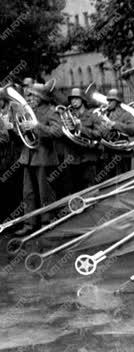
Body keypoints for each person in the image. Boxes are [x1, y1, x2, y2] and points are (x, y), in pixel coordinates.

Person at [14, 82, 62, 236]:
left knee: (44, 192)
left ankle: (46, 222)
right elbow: (18, 131)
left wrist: (36, 126)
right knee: (28, 193)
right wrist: (20, 127)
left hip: (44, 157)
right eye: (29, 95)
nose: (30, 98)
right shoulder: (28, 110)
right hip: (28, 156)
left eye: (33, 95)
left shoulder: (50, 111)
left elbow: (57, 132)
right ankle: (30, 223)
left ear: (41, 97)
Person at [58, 87, 105, 194]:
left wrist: (81, 128)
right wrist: (68, 130)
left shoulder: (92, 115)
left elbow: (99, 134)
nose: (73, 101)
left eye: (76, 98)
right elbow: (62, 137)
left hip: (89, 158)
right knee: (76, 191)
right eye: (71, 99)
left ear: (82, 100)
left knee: (91, 190)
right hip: (73, 158)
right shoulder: (68, 116)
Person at [102, 88, 134, 176]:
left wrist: (115, 124)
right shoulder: (106, 114)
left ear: (117, 101)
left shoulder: (126, 114)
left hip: (122, 152)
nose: (108, 103)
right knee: (109, 182)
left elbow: (133, 129)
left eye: (111, 100)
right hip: (108, 152)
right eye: (108, 100)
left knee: (124, 179)